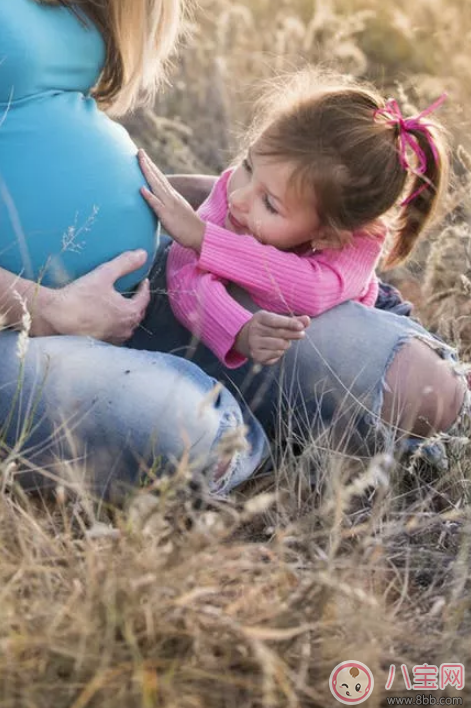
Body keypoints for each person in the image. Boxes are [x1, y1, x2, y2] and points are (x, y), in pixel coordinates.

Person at [0, 1, 466, 501]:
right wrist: (46, 308)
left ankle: (287, 425)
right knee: (199, 439)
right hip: (20, 326)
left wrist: (204, 216)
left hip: (160, 274)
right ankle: (268, 446)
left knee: (423, 390)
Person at [137, 70, 448, 370]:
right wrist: (238, 329)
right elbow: (183, 274)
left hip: (372, 313)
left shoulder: (358, 241)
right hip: (293, 338)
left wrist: (205, 239)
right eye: (248, 165)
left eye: (270, 204)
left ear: (328, 236)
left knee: (441, 380)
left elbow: (311, 290)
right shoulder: (234, 194)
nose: (239, 198)